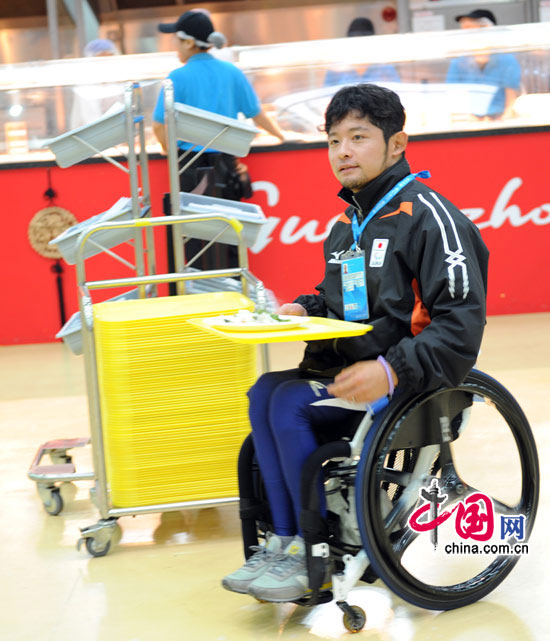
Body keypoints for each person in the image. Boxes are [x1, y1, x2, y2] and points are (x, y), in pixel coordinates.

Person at [222, 83, 489, 602]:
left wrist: (390, 370)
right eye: (333, 140)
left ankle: (309, 549)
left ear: (396, 144)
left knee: (289, 404)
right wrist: (303, 308)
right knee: (263, 392)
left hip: (410, 385)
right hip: (349, 375)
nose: (342, 151)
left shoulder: (431, 218)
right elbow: (337, 298)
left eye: (358, 137)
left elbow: (459, 324)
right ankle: (283, 542)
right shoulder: (347, 225)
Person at [153, 9, 285, 269]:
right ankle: (234, 292)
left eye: (176, 40)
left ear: (188, 42)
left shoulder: (177, 77)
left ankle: (199, 297)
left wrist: (169, 151)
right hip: (226, 164)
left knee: (193, 239)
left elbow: (159, 125)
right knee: (229, 234)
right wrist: (281, 136)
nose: (174, 47)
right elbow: (256, 113)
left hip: (190, 167)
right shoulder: (231, 72)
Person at [446, 9, 521, 119]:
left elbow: (511, 100)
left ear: (487, 29)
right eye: (463, 29)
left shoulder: (506, 60)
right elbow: (454, 96)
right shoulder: (459, 61)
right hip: (468, 120)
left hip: (499, 120)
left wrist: (503, 122)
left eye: (469, 29)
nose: (465, 34)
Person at [324, 17, 401, 87]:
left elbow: (397, 91)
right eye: (355, 41)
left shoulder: (384, 66)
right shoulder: (337, 68)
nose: (359, 47)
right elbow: (326, 96)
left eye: (363, 41)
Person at [70, 38, 122, 129]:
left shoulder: (118, 79)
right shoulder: (85, 82)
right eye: (102, 57)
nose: (106, 62)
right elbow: (89, 116)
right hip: (91, 133)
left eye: (109, 57)